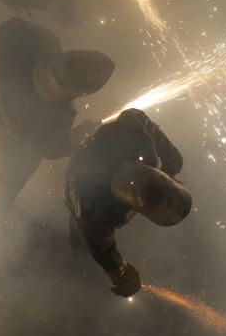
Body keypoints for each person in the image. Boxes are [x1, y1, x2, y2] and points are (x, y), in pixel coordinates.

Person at [0, 17, 113, 210]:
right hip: (9, 152)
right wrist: (83, 132)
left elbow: (10, 27)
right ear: (75, 92)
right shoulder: (55, 120)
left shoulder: (27, 47)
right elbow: (53, 148)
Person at [65, 109, 190, 297]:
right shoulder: (96, 209)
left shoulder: (140, 143)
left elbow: (133, 115)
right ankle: (78, 261)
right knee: (81, 236)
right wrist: (118, 270)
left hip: (97, 162)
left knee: (176, 162)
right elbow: (102, 247)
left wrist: (170, 156)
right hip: (78, 182)